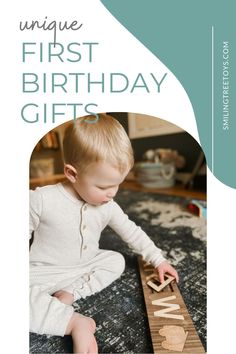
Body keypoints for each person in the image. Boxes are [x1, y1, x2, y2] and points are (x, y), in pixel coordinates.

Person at [30, 114, 179, 354]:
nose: (112, 194)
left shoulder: (108, 205)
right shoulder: (42, 199)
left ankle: (70, 293)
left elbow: (132, 231)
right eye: (103, 187)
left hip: (81, 268)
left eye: (117, 184)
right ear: (72, 173)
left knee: (116, 260)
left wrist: (158, 259)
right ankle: (73, 323)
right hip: (40, 271)